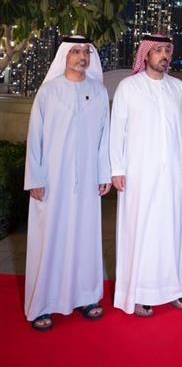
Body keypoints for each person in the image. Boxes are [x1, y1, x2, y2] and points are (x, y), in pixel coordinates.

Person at [24, 35, 111, 331]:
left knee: (85, 238)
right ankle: (42, 304)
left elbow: (104, 138)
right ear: (64, 55)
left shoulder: (98, 91)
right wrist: (35, 178)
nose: (81, 57)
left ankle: (85, 297)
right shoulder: (49, 91)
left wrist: (103, 174)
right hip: (52, 181)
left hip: (87, 181)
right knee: (50, 240)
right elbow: (35, 138)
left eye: (86, 52)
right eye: (75, 51)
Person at [110, 34, 182, 316]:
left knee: (170, 230)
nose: (163, 55)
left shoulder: (177, 88)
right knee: (141, 231)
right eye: (157, 50)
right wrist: (117, 169)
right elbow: (117, 131)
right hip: (138, 173)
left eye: (167, 50)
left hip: (171, 173)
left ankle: (172, 288)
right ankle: (137, 292)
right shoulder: (128, 87)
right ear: (145, 55)